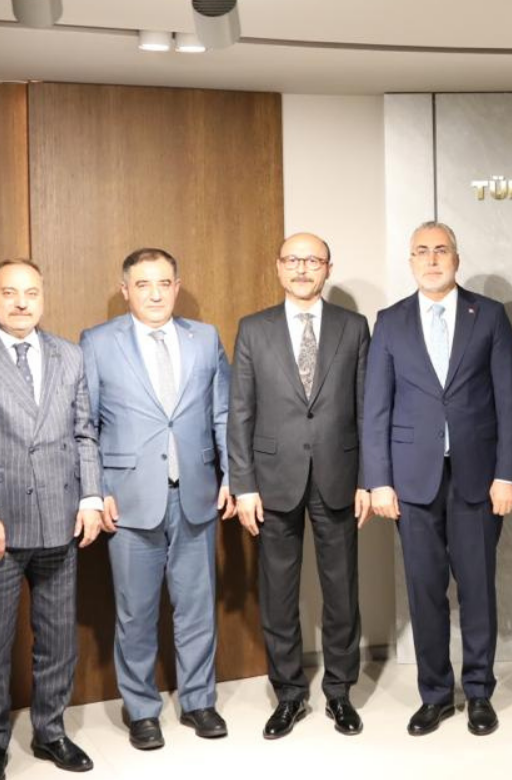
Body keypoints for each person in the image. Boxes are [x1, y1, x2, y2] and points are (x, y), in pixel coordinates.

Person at [0, 259, 102, 778]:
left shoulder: (70, 355)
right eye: (9, 292)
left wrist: (91, 498)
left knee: (57, 638)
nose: (22, 302)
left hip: (60, 518)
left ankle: (51, 731)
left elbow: (84, 433)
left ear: (43, 298)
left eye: (31, 292)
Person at [361, 221, 512, 737]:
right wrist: (379, 481)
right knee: (425, 589)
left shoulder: (489, 316)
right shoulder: (390, 321)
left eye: (441, 251)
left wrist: (508, 474)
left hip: (477, 477)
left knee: (477, 589)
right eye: (422, 251)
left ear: (457, 258)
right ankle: (434, 695)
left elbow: (511, 401)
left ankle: (478, 693)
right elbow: (376, 408)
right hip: (412, 482)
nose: (432, 260)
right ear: (410, 261)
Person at [80, 248, 233, 750]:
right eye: (143, 284)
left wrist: (231, 475)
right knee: (136, 613)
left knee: (197, 608)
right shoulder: (98, 342)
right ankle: (142, 711)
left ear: (176, 286)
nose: (154, 294)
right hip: (128, 500)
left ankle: (199, 702)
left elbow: (223, 413)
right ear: (125, 290)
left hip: (196, 493)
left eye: (164, 283)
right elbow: (86, 425)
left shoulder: (205, 337)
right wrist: (96, 491)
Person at [228, 233, 372, 739]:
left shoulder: (354, 327)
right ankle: (288, 693)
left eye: (313, 260)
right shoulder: (253, 329)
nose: (302, 268)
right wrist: (243, 485)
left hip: (338, 476)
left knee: (341, 591)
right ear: (278, 266)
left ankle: (339, 692)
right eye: (293, 259)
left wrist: (367, 479)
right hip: (272, 481)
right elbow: (240, 411)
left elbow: (366, 408)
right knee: (278, 592)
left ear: (328, 268)